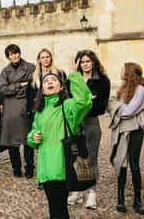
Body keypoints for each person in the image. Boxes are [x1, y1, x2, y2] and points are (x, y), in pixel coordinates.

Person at [27, 70, 92, 219]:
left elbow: (85, 101)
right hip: (45, 168)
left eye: (54, 80)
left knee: (59, 210)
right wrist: (32, 137)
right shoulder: (40, 111)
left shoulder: (68, 106)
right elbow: (34, 132)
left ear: (62, 87)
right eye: (46, 81)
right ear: (42, 90)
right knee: (54, 208)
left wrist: (75, 76)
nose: (50, 82)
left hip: (61, 166)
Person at [108, 62, 144, 215]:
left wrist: (115, 109)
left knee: (134, 164)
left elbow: (128, 111)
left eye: (124, 69)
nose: (121, 71)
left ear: (130, 72)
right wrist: (115, 108)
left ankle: (137, 199)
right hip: (122, 129)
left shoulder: (141, 89)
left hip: (135, 130)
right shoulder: (122, 89)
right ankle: (120, 198)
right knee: (121, 162)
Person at [67, 50, 111, 210]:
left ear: (93, 62)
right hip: (74, 123)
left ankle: (91, 193)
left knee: (91, 158)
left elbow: (101, 106)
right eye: (82, 62)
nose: (85, 64)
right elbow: (67, 100)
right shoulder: (72, 80)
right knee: (75, 158)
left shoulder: (102, 81)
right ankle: (77, 191)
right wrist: (86, 100)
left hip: (91, 123)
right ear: (78, 64)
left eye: (87, 61)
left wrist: (82, 102)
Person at [0, 44, 36, 178]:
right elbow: (2, 89)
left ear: (19, 53)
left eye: (16, 53)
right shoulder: (5, 71)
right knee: (11, 142)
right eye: (11, 54)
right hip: (11, 110)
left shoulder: (31, 67)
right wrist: (19, 85)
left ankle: (30, 167)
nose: (14, 56)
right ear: (8, 57)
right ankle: (16, 168)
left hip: (26, 107)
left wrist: (13, 88)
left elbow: (33, 86)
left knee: (28, 141)